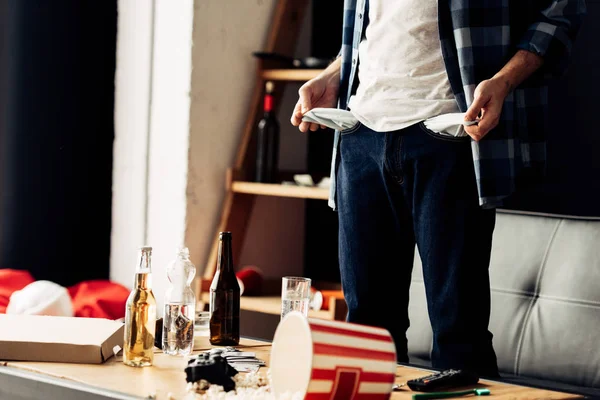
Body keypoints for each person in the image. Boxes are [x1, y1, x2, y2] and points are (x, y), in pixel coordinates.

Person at [291, 0, 586, 377]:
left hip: (450, 132)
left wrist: (505, 79)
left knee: (457, 329)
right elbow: (379, 27)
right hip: (359, 134)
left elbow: (563, 9)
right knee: (366, 327)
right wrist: (335, 74)